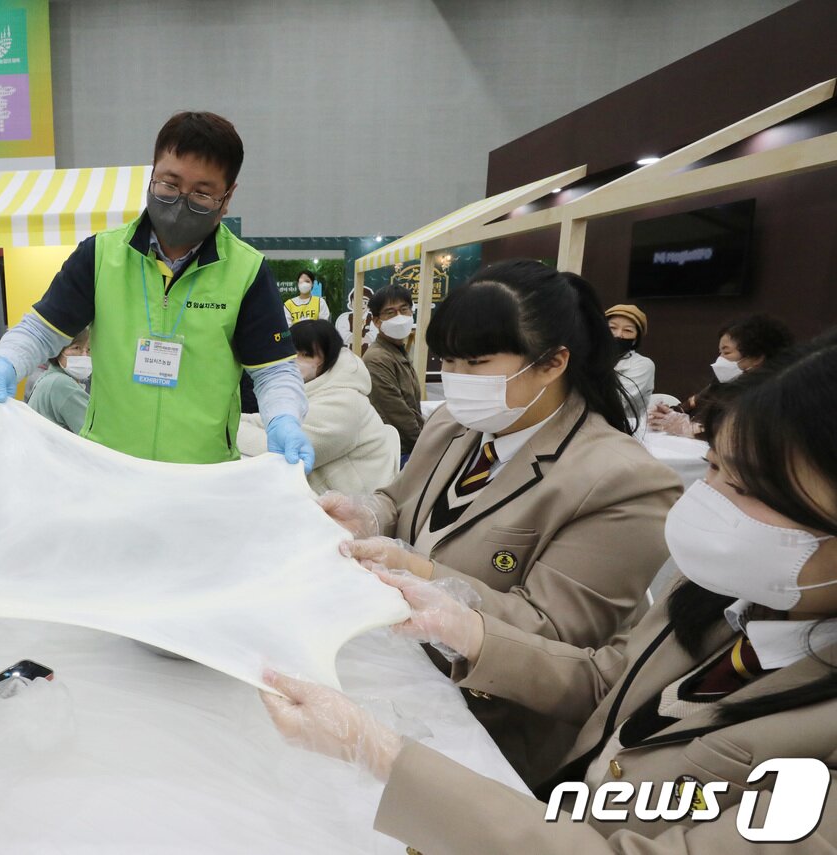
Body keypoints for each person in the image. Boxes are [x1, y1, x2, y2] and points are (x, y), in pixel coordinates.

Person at [264, 332, 837, 852]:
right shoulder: (730, 595)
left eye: (739, 486)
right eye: (710, 468)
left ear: (551, 362)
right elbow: (615, 681)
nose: (707, 500)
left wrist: (386, 757)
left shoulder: (612, 474)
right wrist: (468, 629)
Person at [324, 260, 681, 785]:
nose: (457, 380)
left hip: (493, 726)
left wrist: (419, 572)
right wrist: (369, 512)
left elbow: (555, 633)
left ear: (553, 362)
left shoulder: (621, 481)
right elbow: (402, 499)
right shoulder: (457, 424)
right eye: (447, 361)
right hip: (406, 674)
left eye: (477, 362)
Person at [0, 111, 313, 470]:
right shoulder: (101, 256)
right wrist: (6, 361)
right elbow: (41, 330)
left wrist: (284, 420)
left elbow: (273, 372)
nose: (181, 201)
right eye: (170, 184)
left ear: (227, 197)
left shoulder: (247, 272)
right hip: (108, 465)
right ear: (152, 175)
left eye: (202, 193)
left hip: (200, 473)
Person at [239, 320, 398, 495]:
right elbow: (265, 422)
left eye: (306, 354)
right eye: (291, 352)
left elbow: (286, 451)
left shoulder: (345, 403)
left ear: (329, 358)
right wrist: (229, 422)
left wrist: (226, 432)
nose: (295, 360)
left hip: (352, 509)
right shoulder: (313, 391)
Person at [648, 313, 794, 438]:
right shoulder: (722, 383)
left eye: (727, 352)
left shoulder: (773, 392)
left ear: (756, 357)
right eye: (720, 353)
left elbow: (741, 433)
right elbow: (691, 404)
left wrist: (691, 429)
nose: (720, 359)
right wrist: (666, 414)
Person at [361, 284, 424, 460]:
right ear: (376, 321)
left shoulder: (397, 350)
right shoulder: (377, 359)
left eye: (404, 309)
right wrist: (427, 448)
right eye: (390, 312)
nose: (399, 317)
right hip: (399, 452)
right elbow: (398, 415)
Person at [29, 328, 91, 433]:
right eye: (76, 348)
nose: (84, 356)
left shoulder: (49, 377)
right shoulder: (61, 384)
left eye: (88, 350)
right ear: (58, 350)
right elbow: (94, 432)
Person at [605, 302, 654, 428]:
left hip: (623, 429)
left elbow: (614, 404)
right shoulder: (589, 356)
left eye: (627, 330)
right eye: (612, 328)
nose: (618, 334)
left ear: (635, 339)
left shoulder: (643, 365)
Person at [334, 288, 372, 353]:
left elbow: (374, 335)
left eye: (365, 302)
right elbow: (343, 335)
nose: (361, 304)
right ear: (351, 303)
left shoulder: (373, 318)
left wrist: (365, 339)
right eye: (357, 301)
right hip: (348, 355)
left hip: (368, 356)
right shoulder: (344, 318)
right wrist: (357, 340)